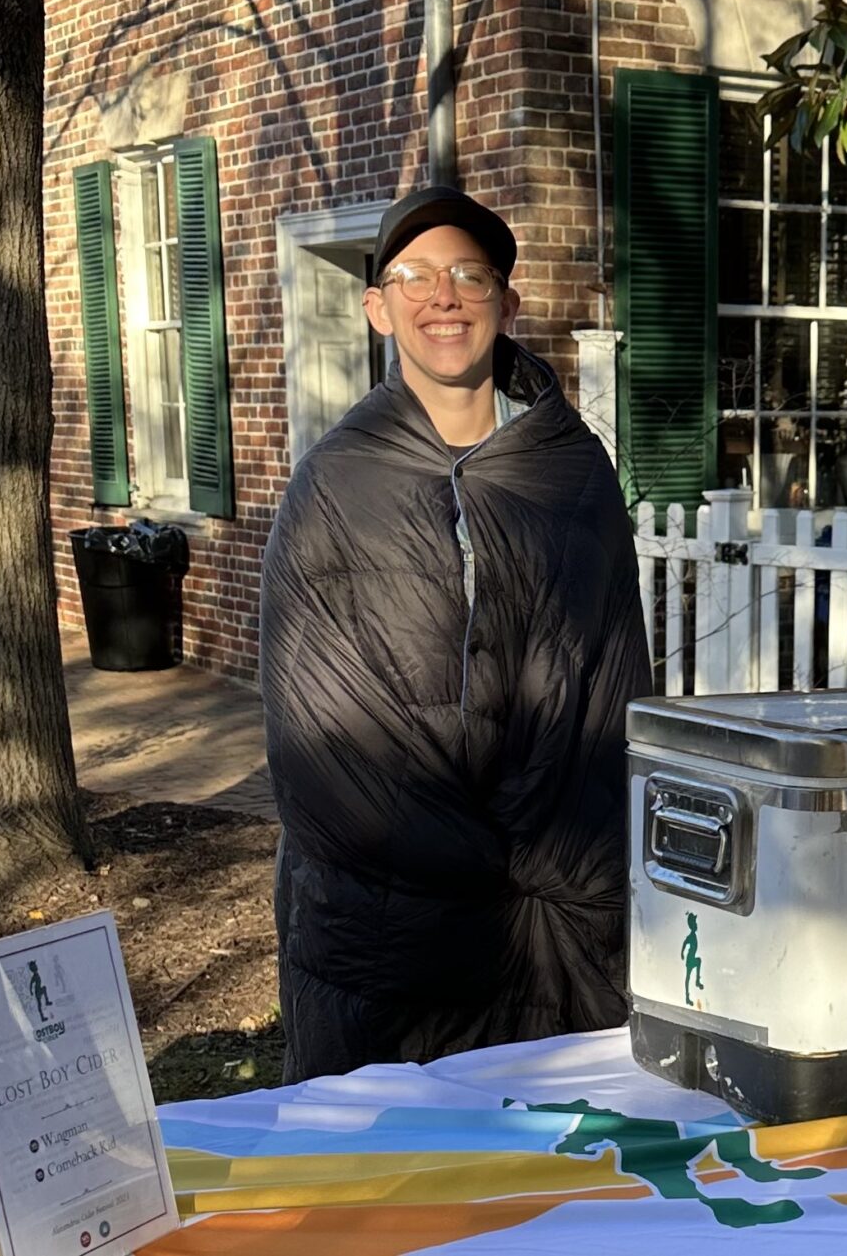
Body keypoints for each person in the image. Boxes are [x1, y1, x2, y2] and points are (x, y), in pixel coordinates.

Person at [259, 184, 653, 1079]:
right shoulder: (333, 488)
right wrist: (485, 861)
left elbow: (611, 686)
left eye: (471, 276)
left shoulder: (575, 473)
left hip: (563, 921)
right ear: (379, 307)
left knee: (560, 1191)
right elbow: (323, 736)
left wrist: (559, 863)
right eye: (416, 276)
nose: (445, 297)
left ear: (507, 303)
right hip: (394, 934)